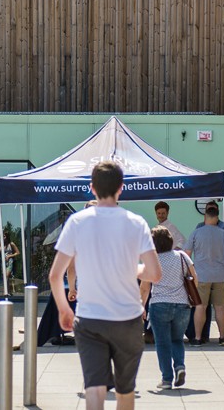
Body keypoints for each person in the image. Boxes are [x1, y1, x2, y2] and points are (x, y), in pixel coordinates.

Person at [48, 161, 161, 410]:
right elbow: (154, 273)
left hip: (90, 319)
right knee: (125, 391)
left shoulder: (77, 222)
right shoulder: (137, 223)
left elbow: (55, 275)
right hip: (128, 319)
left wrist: (64, 309)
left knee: (95, 389)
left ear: (92, 188)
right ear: (121, 188)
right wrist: (134, 269)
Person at [145, 226, 197, 390]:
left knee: (162, 342)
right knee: (177, 339)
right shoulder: (182, 256)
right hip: (182, 304)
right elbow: (195, 278)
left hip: (159, 304)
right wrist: (190, 299)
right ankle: (180, 367)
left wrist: (140, 306)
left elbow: (145, 287)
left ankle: (166, 379)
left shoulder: (151, 261)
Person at [188, 202, 224, 344]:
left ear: (205, 215)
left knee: (200, 307)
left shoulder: (196, 232)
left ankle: (197, 338)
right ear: (217, 216)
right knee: (220, 307)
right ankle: (222, 336)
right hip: (220, 275)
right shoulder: (223, 233)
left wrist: (192, 270)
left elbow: (187, 253)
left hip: (202, 275)